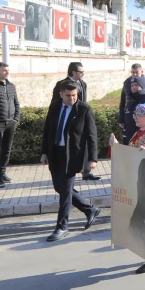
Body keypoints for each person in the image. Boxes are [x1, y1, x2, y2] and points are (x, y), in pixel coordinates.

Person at [110, 102, 145, 274]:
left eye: (138, 115)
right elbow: (130, 155)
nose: (135, 117)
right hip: (140, 185)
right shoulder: (138, 133)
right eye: (135, 114)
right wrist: (117, 146)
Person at [40, 81, 100, 242]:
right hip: (55, 153)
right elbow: (47, 131)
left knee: (65, 193)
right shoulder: (54, 107)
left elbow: (91, 135)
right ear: (61, 94)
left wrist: (93, 158)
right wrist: (44, 152)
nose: (72, 98)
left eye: (75, 95)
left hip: (72, 155)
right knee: (59, 187)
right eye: (68, 95)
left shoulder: (84, 109)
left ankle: (62, 226)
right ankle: (90, 209)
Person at [118, 63, 145, 140]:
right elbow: (122, 102)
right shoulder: (126, 83)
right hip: (130, 116)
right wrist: (121, 119)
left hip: (143, 117)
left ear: (142, 72)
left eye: (136, 72)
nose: (134, 74)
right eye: (133, 72)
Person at [121, 76, 145, 144]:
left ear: (142, 86)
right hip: (131, 139)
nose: (134, 87)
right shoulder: (130, 101)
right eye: (132, 85)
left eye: (136, 85)